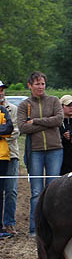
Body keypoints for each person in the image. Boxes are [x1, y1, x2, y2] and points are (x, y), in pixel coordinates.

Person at [16, 71, 63, 236]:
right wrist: (48, 123)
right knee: (36, 191)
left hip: (55, 149)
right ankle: (35, 228)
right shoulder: (24, 105)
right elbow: (23, 127)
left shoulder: (54, 100)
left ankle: (54, 227)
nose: (41, 87)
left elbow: (58, 120)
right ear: (30, 86)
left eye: (42, 83)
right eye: (37, 84)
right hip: (35, 151)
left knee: (52, 189)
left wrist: (35, 121)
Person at [0, 81, 20, 236]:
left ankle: (9, 224)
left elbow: (14, 131)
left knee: (11, 190)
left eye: (2, 89)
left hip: (11, 154)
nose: (1, 92)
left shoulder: (12, 109)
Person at [0, 100, 13, 238]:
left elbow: (9, 128)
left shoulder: (2, 110)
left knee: (0, 194)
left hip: (2, 156)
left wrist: (4, 129)